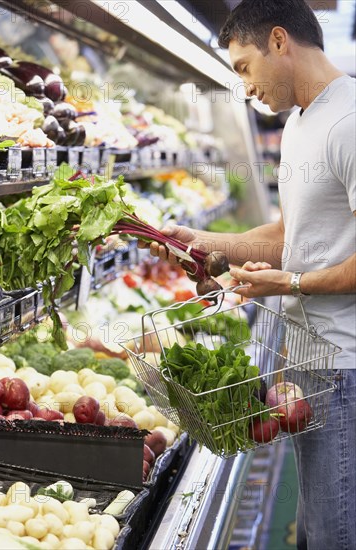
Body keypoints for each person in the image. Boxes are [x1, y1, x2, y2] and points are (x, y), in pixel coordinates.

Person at [139, 1, 356, 548]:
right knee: (316, 527)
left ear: (279, 41)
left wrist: (287, 284)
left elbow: (300, 265)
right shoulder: (301, 122)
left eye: (243, 67)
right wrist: (204, 242)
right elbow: (291, 233)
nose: (244, 86)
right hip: (311, 358)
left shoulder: (350, 122)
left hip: (348, 367)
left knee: (335, 533)